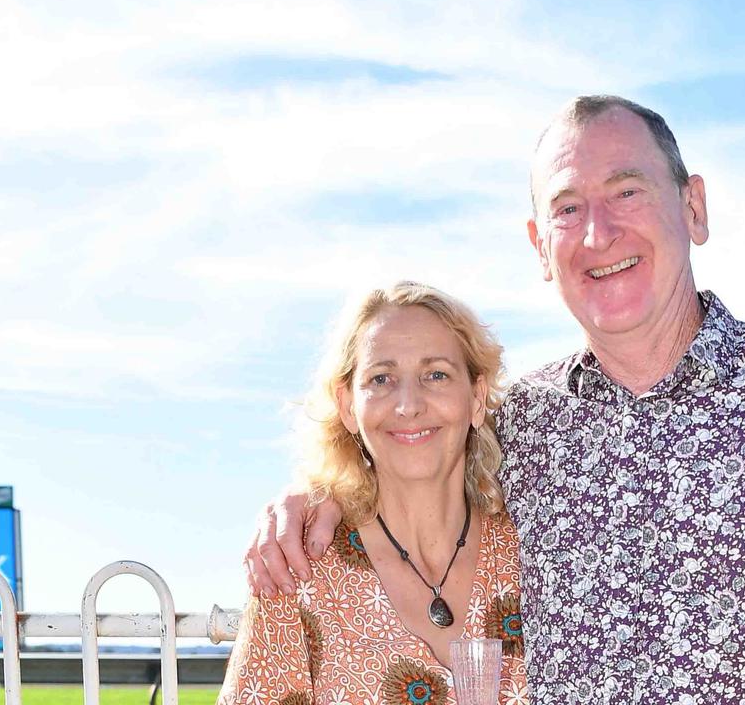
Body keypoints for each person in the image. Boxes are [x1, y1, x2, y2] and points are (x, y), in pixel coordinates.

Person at [246, 95, 745, 703]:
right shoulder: (516, 423)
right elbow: (405, 466)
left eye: (627, 192)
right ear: (540, 248)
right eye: (567, 208)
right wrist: (309, 506)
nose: (596, 233)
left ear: (693, 207)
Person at [221, 282, 527, 705]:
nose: (408, 405)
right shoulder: (299, 570)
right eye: (381, 379)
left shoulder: (533, 554)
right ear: (348, 407)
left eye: (435, 374)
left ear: (476, 398)